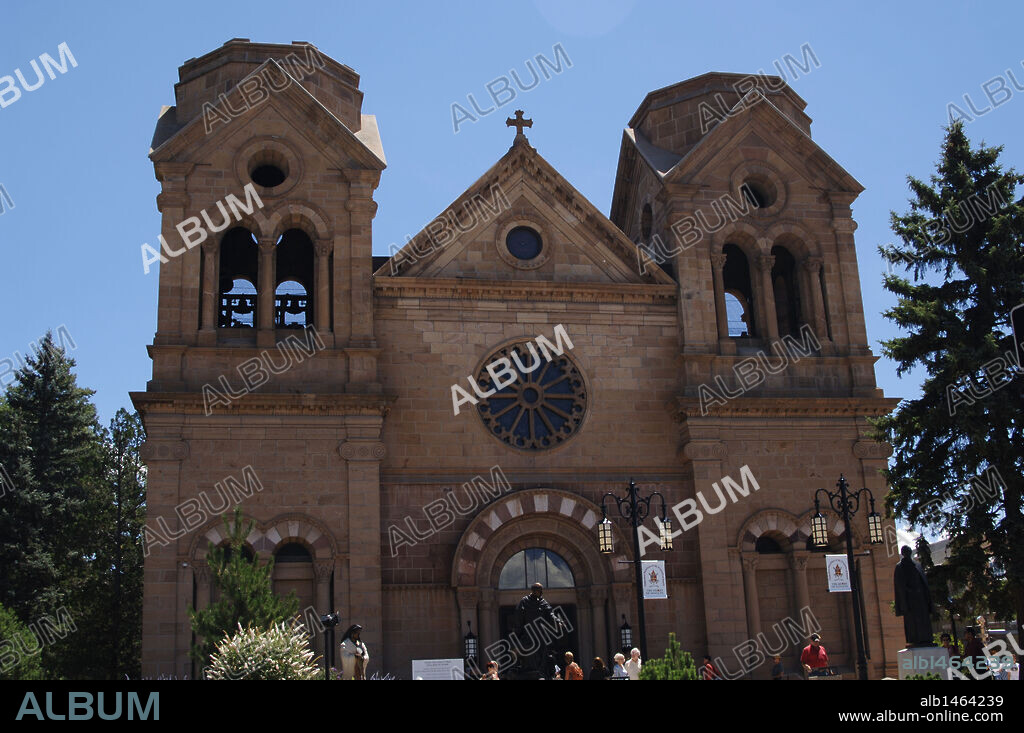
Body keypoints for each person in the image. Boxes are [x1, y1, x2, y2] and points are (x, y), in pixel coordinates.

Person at [513, 583, 564, 678]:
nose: (541, 593)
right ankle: (530, 672)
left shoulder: (542, 602)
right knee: (530, 653)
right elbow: (518, 616)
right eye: (539, 591)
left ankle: (541, 672)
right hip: (528, 632)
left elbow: (550, 613)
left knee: (543, 651)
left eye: (541, 591)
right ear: (534, 591)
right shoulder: (525, 601)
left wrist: (557, 621)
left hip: (540, 632)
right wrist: (518, 630)